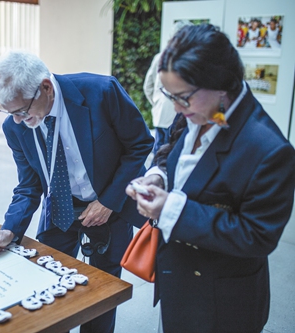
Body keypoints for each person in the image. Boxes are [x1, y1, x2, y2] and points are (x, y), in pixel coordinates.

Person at [126, 24, 295, 333]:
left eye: (182, 98)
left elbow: (258, 236)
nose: (175, 107)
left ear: (221, 85)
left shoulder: (269, 150)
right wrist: (158, 175)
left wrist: (170, 210)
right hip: (177, 279)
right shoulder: (199, 107)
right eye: (170, 95)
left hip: (221, 301)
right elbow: (173, 147)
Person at [0, 50, 153, 333]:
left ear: (46, 87)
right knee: (45, 282)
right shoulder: (15, 127)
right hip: (59, 206)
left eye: (22, 111)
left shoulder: (101, 92)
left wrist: (108, 201)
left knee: (102, 292)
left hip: (109, 203)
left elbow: (140, 145)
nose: (19, 120)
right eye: (10, 112)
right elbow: (29, 184)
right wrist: (9, 230)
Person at [144, 20, 190, 155]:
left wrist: (157, 103)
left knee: (159, 152)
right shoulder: (187, 59)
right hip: (177, 118)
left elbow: (148, 86)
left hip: (161, 115)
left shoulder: (160, 57)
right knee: (173, 153)